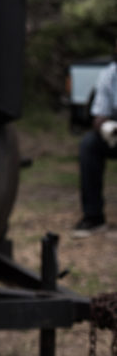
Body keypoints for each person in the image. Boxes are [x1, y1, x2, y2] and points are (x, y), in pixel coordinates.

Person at [72, 40, 117, 238]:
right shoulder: (110, 74)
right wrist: (107, 127)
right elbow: (99, 114)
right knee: (89, 144)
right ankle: (93, 217)